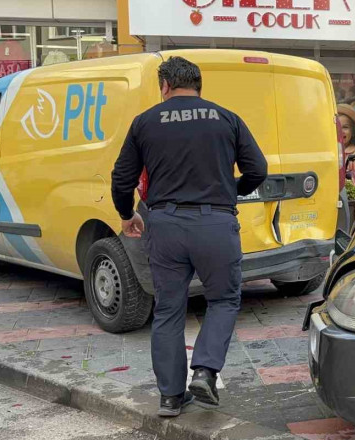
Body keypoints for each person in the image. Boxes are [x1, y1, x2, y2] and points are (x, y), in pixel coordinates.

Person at [110, 56, 267, 417]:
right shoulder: (227, 118)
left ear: (165, 86)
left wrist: (126, 214)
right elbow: (258, 169)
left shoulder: (145, 122)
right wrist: (231, 189)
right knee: (224, 299)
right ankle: (206, 372)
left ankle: (169, 397)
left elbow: (122, 178)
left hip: (163, 225)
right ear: (198, 85)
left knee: (168, 309)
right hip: (215, 224)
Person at [338, 103, 355, 173]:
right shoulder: (329, 153)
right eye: (337, 127)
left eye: (345, 127)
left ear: (353, 130)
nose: (341, 131)